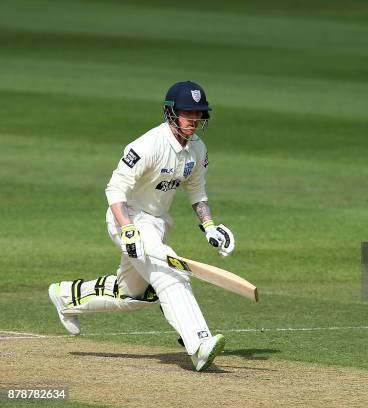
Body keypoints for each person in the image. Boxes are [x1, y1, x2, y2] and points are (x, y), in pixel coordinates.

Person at [48, 80, 234, 371]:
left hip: (157, 223)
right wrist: (128, 229)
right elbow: (114, 190)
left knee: (131, 295)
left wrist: (210, 226)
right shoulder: (148, 145)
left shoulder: (197, 149)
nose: (194, 120)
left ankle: (66, 296)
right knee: (170, 273)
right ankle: (198, 344)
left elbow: (197, 192)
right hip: (129, 218)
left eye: (199, 114)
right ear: (171, 113)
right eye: (188, 113)